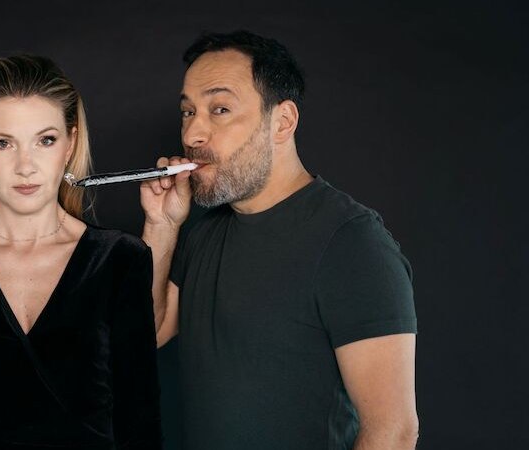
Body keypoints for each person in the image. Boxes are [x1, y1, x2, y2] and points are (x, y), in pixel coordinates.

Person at [140, 31, 418, 449]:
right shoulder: (203, 232)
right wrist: (162, 227)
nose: (193, 134)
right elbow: (151, 331)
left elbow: (392, 432)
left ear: (282, 122)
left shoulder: (351, 242)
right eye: (188, 112)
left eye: (219, 109)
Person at [0, 54, 162, 450]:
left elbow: (140, 426)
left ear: (69, 144)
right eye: (3, 143)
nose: (25, 166)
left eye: (45, 140)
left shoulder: (121, 260)